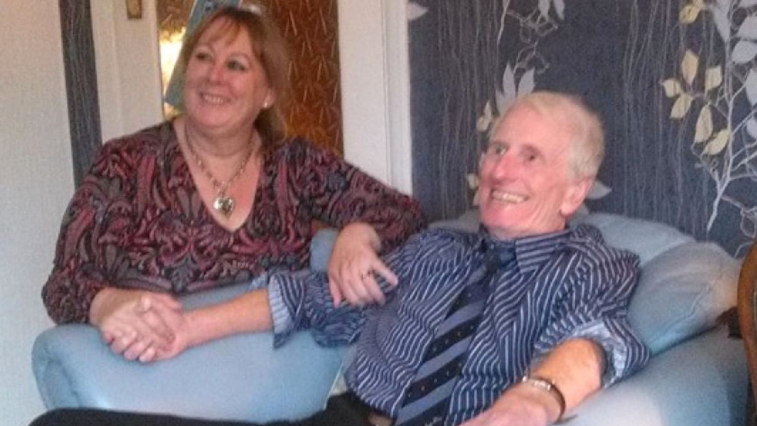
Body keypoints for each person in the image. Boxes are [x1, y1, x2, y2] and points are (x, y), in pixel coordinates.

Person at [32, 91, 649, 426]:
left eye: (530, 157)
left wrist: (534, 399)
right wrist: (186, 328)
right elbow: (311, 297)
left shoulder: (585, 264)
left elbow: (601, 338)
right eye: (496, 149)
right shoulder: (438, 248)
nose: (499, 169)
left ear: (575, 189)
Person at [41, 4, 424, 364]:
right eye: (203, 57)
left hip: (270, 387)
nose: (214, 76)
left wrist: (357, 233)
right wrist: (105, 303)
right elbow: (64, 283)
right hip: (157, 381)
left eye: (236, 65)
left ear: (268, 94)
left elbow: (406, 216)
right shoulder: (126, 163)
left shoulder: (295, 164)